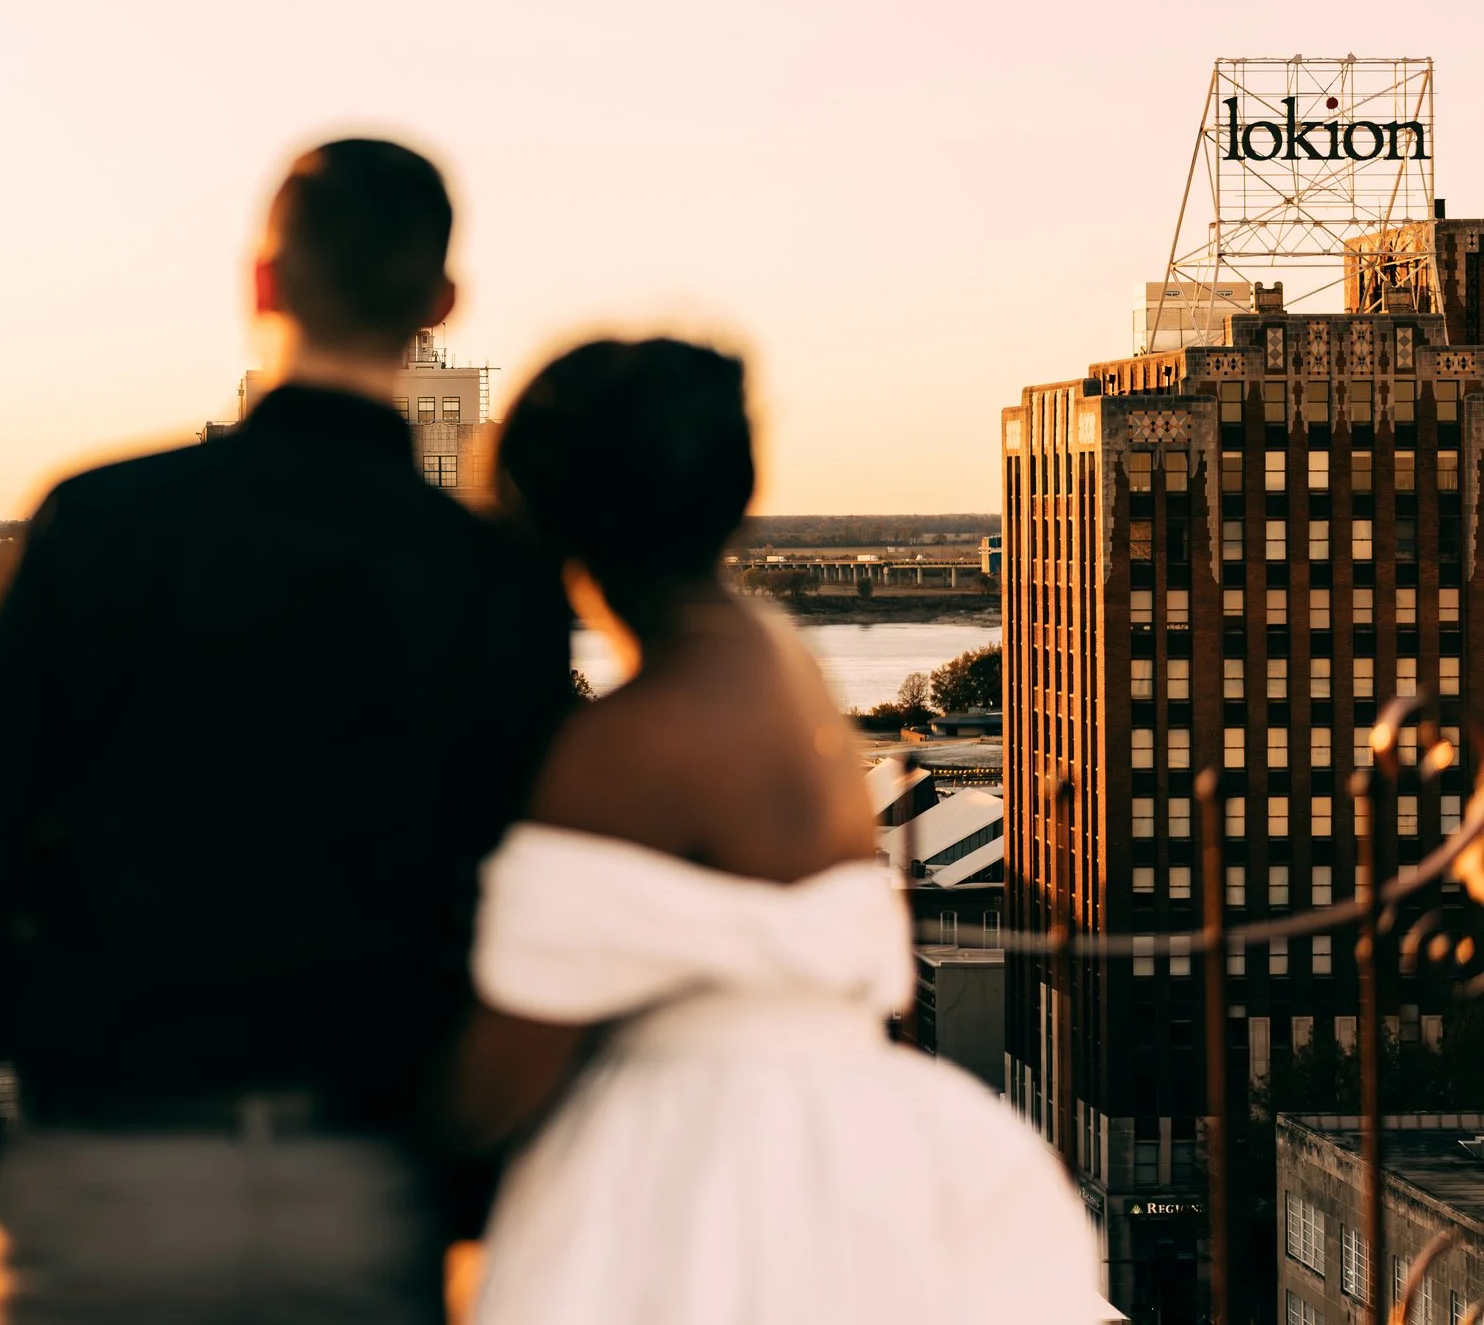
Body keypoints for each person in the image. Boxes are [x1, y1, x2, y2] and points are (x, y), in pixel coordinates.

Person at [0, 139, 575, 1325]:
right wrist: (462, 1194)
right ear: (438, 305)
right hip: (367, 1197)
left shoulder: (98, 524)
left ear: (262, 282)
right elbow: (534, 909)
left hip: (94, 1175)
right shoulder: (491, 579)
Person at [451, 337, 1099, 1325]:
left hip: (702, 1180)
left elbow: (494, 1083)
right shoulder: (769, 652)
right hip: (846, 1157)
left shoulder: (628, 741)